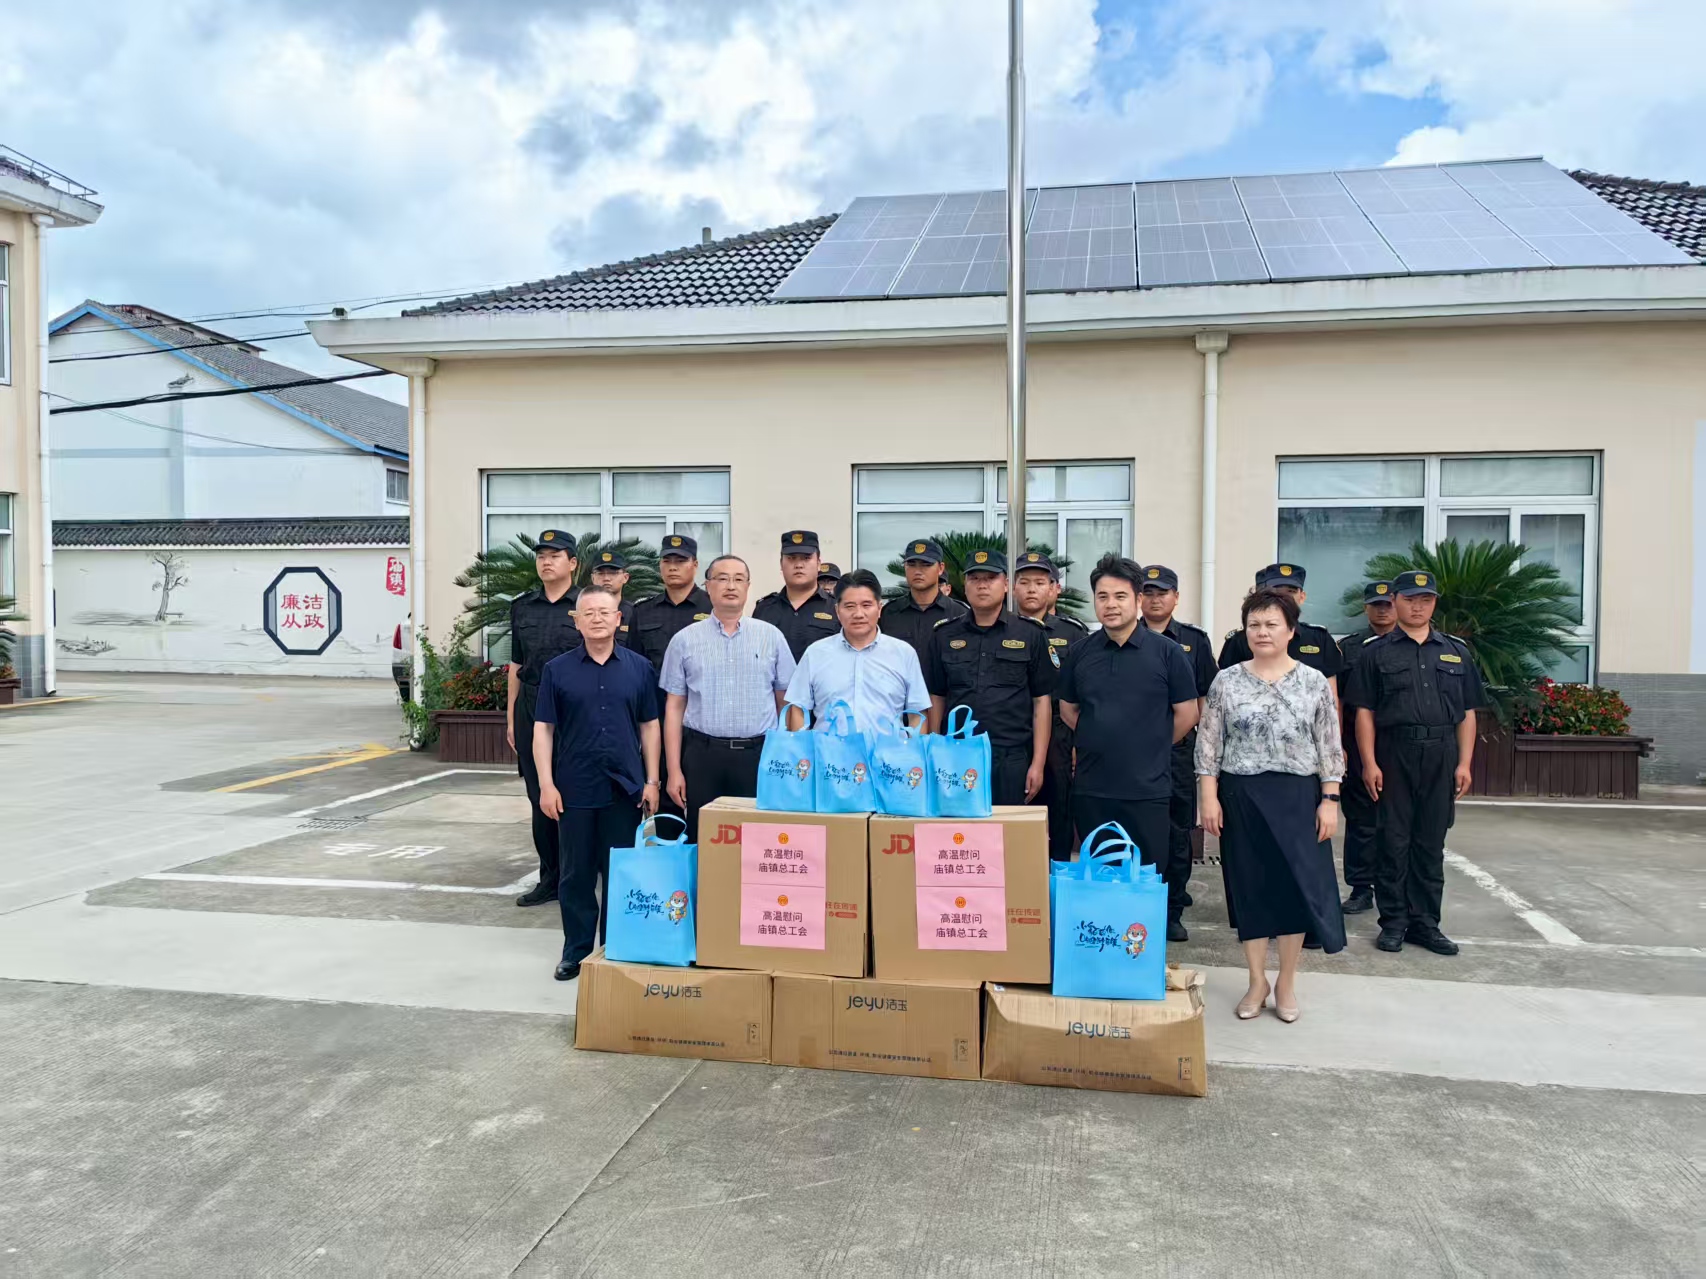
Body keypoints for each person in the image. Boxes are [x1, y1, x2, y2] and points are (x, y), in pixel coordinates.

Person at [1197, 587, 1347, 1023]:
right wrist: (1208, 796)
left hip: (1298, 797)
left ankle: (1286, 983)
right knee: (1251, 887)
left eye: (1271, 624)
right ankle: (1256, 980)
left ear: (1291, 631)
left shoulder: (1313, 681)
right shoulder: (1227, 680)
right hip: (1241, 795)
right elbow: (1209, 744)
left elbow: (1329, 746)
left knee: (1294, 890)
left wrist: (1329, 800)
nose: (1262, 632)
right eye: (1254, 624)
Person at [1346, 570, 1485, 956]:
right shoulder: (1375, 653)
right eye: (1410, 599)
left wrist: (1464, 763)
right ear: (1395, 601)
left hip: (1441, 754)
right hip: (1394, 753)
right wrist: (1369, 763)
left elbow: (1468, 713)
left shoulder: (1456, 652)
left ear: (1435, 602)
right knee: (1392, 841)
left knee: (1430, 843)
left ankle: (1426, 924)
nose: (1418, 606)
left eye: (1425, 599)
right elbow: (1364, 713)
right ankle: (1393, 922)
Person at [531, 586, 660, 982]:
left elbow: (650, 725)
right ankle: (576, 951)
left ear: (619, 619)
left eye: (605, 612)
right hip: (575, 788)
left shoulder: (639, 668)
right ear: (577, 621)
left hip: (625, 789)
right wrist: (546, 785)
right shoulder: (557, 670)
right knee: (576, 875)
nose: (598, 618)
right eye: (589, 612)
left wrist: (652, 780)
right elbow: (543, 730)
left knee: (620, 873)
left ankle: (615, 948)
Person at [1059, 555, 1199, 873]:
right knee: (1100, 873)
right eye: (1102, 596)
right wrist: (1099, 736)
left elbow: (1187, 713)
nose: (1111, 604)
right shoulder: (1080, 652)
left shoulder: (1168, 653)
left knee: (1147, 875)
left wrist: (1150, 744)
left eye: (1120, 596)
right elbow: (1068, 709)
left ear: (1137, 600)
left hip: (1147, 790)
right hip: (1093, 789)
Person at [659, 555, 795, 839]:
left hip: (758, 755)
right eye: (722, 578)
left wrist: (788, 758)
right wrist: (673, 770)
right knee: (705, 839)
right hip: (702, 756)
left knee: (759, 841)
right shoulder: (684, 640)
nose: (730, 586)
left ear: (748, 586)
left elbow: (786, 704)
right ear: (707, 586)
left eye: (738, 579)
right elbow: (674, 707)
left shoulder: (771, 637)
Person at [924, 549, 1055, 806]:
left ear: (1006, 584)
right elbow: (937, 697)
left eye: (990, 578)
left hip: (1010, 758)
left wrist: (1038, 764)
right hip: (956, 754)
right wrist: (934, 752)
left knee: (1009, 829)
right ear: (965, 585)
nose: (982, 585)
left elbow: (1041, 702)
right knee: (958, 826)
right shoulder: (944, 635)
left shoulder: (1030, 634)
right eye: (975, 578)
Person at [1139, 564, 1219, 942]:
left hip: (1178, 750)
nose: (1155, 599)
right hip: (1131, 753)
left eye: (1163, 592)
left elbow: (1204, 702)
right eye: (1148, 592)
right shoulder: (1123, 637)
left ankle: (1172, 909)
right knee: (1137, 829)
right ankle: (1139, 904)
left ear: (1176, 597)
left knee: (1177, 833)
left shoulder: (1194, 641)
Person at [505, 530, 584, 909]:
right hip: (532, 707)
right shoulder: (523, 607)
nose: (546, 561)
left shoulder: (586, 604)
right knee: (540, 797)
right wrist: (511, 717)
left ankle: (579, 874)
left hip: (575, 711)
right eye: (541, 555)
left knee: (577, 795)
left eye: (555, 555)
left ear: (573, 563)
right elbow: (516, 664)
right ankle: (549, 878)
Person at [784, 569, 929, 733]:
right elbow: (798, 708)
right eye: (849, 606)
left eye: (866, 605)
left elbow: (917, 713)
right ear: (837, 611)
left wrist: (914, 747)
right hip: (828, 749)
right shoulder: (815, 653)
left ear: (879, 609)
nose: (858, 614)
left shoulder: (903, 653)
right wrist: (802, 748)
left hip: (887, 749)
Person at [1013, 551, 1088, 857]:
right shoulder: (1005, 630)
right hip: (1016, 734)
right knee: (1014, 815)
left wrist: (1079, 743)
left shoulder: (1073, 632)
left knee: (1059, 816)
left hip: (1061, 735)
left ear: (1054, 589)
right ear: (1012, 588)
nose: (1031, 589)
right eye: (1024, 582)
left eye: (1040, 582)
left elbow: (1085, 693)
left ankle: (1055, 879)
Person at [1336, 580, 1398, 914]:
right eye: (1376, 605)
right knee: (1361, 818)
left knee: (1399, 819)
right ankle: (1361, 888)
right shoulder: (1349, 647)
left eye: (1387, 604)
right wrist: (1339, 744)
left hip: (1400, 743)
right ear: (1366, 608)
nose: (1382, 610)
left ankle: (1395, 886)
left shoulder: (1416, 646)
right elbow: (1338, 698)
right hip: (1358, 743)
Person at [1218, 564, 1345, 697]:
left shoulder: (1319, 639)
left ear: (1302, 597)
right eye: (1277, 591)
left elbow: (1331, 698)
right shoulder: (1240, 641)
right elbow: (1224, 693)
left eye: (1291, 591)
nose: (1285, 597)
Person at [628, 535, 711, 674]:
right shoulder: (643, 611)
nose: (672, 567)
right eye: (666, 561)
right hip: (655, 687)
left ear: (695, 565)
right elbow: (633, 661)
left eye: (680, 561)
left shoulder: (713, 607)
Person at [878, 537, 969, 664]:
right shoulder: (888, 613)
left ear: (940, 568)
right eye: (911, 564)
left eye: (926, 565)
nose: (918, 571)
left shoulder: (960, 614)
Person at [754, 530, 841, 661]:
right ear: (781, 564)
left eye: (806, 558)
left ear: (818, 563)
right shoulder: (764, 608)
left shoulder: (836, 608)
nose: (799, 565)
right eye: (791, 558)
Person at [588, 548, 637, 645]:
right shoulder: (583, 613)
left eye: (613, 573)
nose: (606, 578)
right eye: (600, 573)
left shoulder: (634, 614)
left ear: (625, 577)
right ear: (593, 578)